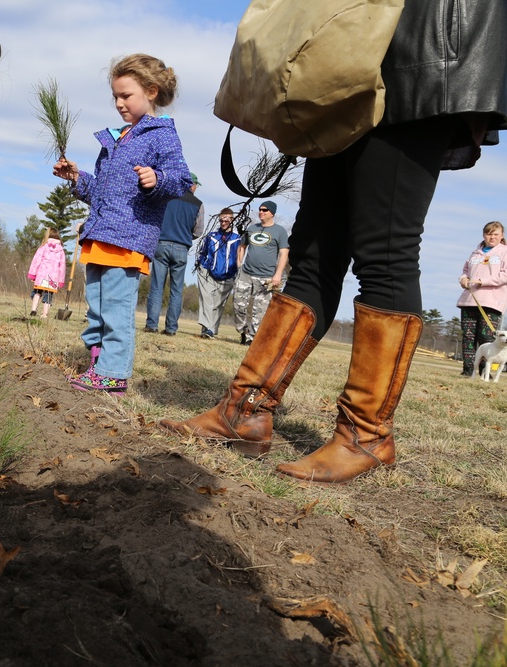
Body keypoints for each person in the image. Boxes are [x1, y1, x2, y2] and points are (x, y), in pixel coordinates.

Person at [162, 0, 507, 483]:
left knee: (385, 252)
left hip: (420, 55)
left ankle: (366, 435)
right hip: (347, 61)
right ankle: (245, 409)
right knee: (312, 255)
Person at [53, 53, 192, 395]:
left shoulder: (161, 135)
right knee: (97, 308)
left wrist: (156, 178)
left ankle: (114, 372)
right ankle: (98, 364)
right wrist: (77, 179)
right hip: (100, 234)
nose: (118, 103)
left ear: (152, 91)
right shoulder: (118, 138)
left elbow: (181, 180)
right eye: (115, 96)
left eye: (126, 95)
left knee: (116, 308)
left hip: (129, 238)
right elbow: (102, 191)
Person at [144, 172, 204, 335]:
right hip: (181, 248)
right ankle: (171, 328)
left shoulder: (168, 197)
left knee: (157, 286)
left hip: (161, 244)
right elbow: (198, 231)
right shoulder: (198, 204)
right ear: (192, 185)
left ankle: (152, 325)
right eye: (196, 185)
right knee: (176, 290)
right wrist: (185, 234)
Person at [233, 200, 289, 345]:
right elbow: (242, 245)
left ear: (272, 213)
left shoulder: (280, 231)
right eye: (260, 209)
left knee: (260, 311)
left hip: (266, 277)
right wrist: (240, 263)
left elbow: (284, 253)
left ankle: (252, 339)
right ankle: (243, 331)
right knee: (238, 305)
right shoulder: (252, 228)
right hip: (246, 274)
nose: (261, 212)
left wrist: (278, 275)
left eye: (264, 210)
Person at [457, 221, 507, 376]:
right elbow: (465, 271)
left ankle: (485, 371)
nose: (491, 237)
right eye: (488, 233)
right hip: (469, 299)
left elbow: (504, 275)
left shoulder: (504, 252)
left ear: (501, 236)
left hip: (491, 302)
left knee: (486, 337)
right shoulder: (475, 253)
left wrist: (483, 281)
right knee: (468, 336)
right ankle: (467, 370)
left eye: (495, 234)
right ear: (484, 235)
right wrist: (464, 279)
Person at [195, 208, 242, 338]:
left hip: (228, 275)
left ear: (232, 220)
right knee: (207, 300)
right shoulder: (211, 236)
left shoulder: (237, 239)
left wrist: (237, 274)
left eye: (227, 220)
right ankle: (207, 329)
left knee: (218, 304)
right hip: (208, 272)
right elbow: (203, 252)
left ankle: (211, 329)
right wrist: (201, 266)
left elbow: (239, 258)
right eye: (221, 220)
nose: (223, 222)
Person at [27, 228, 67, 319]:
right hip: (53, 277)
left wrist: (33, 273)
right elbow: (62, 267)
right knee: (49, 295)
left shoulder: (44, 247)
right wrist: (61, 280)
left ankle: (33, 310)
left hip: (41, 275)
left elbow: (36, 261)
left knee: (37, 292)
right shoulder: (61, 250)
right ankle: (45, 314)